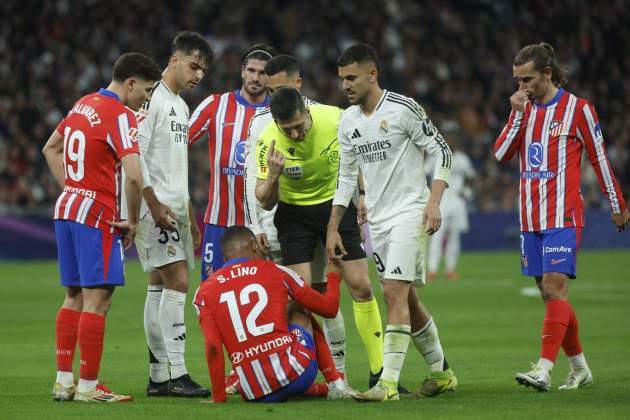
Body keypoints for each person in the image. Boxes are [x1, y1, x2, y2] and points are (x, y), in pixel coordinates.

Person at [494, 42, 629, 391]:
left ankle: (543, 368)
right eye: (517, 80)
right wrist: (516, 114)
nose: (521, 87)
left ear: (548, 74)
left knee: (555, 288)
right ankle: (580, 367)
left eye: (527, 79)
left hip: (563, 216)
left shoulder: (578, 109)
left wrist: (617, 203)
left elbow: (598, 158)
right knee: (551, 296)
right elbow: (501, 155)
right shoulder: (523, 110)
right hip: (530, 218)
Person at [327, 44, 458, 401]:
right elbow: (346, 176)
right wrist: (334, 224)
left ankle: (386, 385)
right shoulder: (348, 120)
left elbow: (442, 151)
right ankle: (442, 374)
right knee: (408, 299)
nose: (345, 86)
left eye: (351, 77)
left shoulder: (403, 109)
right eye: (341, 79)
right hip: (378, 222)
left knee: (393, 293)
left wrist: (433, 202)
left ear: (372, 74)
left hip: (410, 212)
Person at [42, 53, 162, 402]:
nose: (147, 98)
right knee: (99, 300)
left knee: (74, 296)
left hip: (66, 209)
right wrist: (134, 221)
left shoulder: (82, 104)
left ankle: (64, 381)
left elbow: (51, 149)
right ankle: (90, 387)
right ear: (131, 83)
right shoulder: (120, 114)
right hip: (97, 214)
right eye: (147, 90)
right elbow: (135, 177)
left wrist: (74, 187)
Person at [255, 87, 386, 388]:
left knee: (362, 286)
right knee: (302, 298)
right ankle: (314, 375)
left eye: (299, 126)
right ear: (276, 124)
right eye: (288, 130)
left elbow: (358, 157)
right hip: (294, 215)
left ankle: (379, 371)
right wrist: (274, 175)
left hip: (335, 206)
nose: (296, 134)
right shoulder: (268, 141)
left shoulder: (335, 119)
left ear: (308, 112)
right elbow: (264, 200)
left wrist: (363, 195)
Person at [245, 55, 351, 376]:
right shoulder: (262, 128)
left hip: (323, 214)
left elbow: (347, 166)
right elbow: (257, 185)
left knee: (316, 295)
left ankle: (338, 373)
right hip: (284, 220)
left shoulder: (329, 117)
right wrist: (258, 222)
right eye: (272, 91)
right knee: (294, 299)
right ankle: (295, 367)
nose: (293, 134)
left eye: (282, 89)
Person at [133, 32, 213, 398]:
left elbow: (173, 165)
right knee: (178, 282)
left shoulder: (180, 106)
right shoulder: (152, 102)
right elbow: (137, 157)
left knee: (158, 285)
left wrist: (189, 213)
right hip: (156, 207)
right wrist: (151, 204)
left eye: (203, 70)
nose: (198, 75)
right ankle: (178, 373)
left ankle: (158, 376)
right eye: (194, 66)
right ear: (175, 60)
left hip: (174, 207)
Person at [194, 226, 353, 402]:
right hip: (298, 374)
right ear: (253, 245)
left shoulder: (203, 292)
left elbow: (213, 346)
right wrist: (333, 276)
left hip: (253, 391)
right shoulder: (276, 272)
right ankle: (335, 383)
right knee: (300, 307)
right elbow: (329, 309)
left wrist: (218, 398)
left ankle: (315, 389)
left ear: (224, 259)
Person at [189, 44, 275, 279]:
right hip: (220, 220)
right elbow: (179, 140)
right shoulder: (216, 105)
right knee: (210, 294)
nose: (256, 77)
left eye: (263, 72)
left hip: (261, 225)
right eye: (251, 70)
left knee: (261, 295)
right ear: (242, 71)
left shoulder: (278, 113)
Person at [427, 134, 474, 280]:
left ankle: (450, 269)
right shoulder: (436, 156)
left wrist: (466, 192)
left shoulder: (462, 158)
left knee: (454, 238)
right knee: (435, 237)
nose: (452, 141)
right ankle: (432, 270)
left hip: (457, 202)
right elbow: (424, 173)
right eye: (450, 139)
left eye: (454, 139)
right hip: (439, 202)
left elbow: (471, 177)